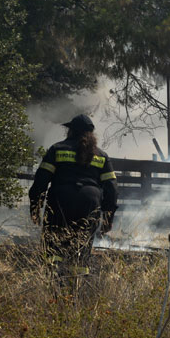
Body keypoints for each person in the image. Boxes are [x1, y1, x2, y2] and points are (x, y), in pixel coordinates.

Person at [29, 114, 118, 284]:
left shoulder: (57, 149)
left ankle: (53, 285)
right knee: (81, 250)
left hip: (60, 203)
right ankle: (75, 289)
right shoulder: (101, 156)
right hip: (89, 204)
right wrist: (108, 217)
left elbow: (41, 181)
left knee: (53, 247)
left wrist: (35, 207)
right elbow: (112, 189)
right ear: (91, 134)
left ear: (70, 131)